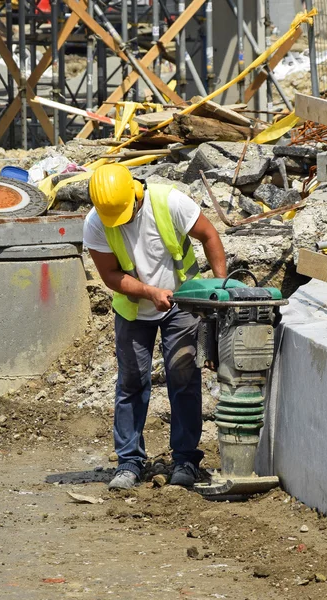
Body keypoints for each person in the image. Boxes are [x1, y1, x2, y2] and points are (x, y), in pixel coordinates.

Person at [83, 164, 227, 490]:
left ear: (134, 195)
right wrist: (149, 292)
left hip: (182, 305)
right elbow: (110, 276)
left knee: (184, 378)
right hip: (134, 310)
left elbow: (209, 235)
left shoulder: (168, 202)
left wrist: (218, 288)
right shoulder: (96, 222)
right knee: (132, 383)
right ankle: (129, 462)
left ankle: (186, 460)